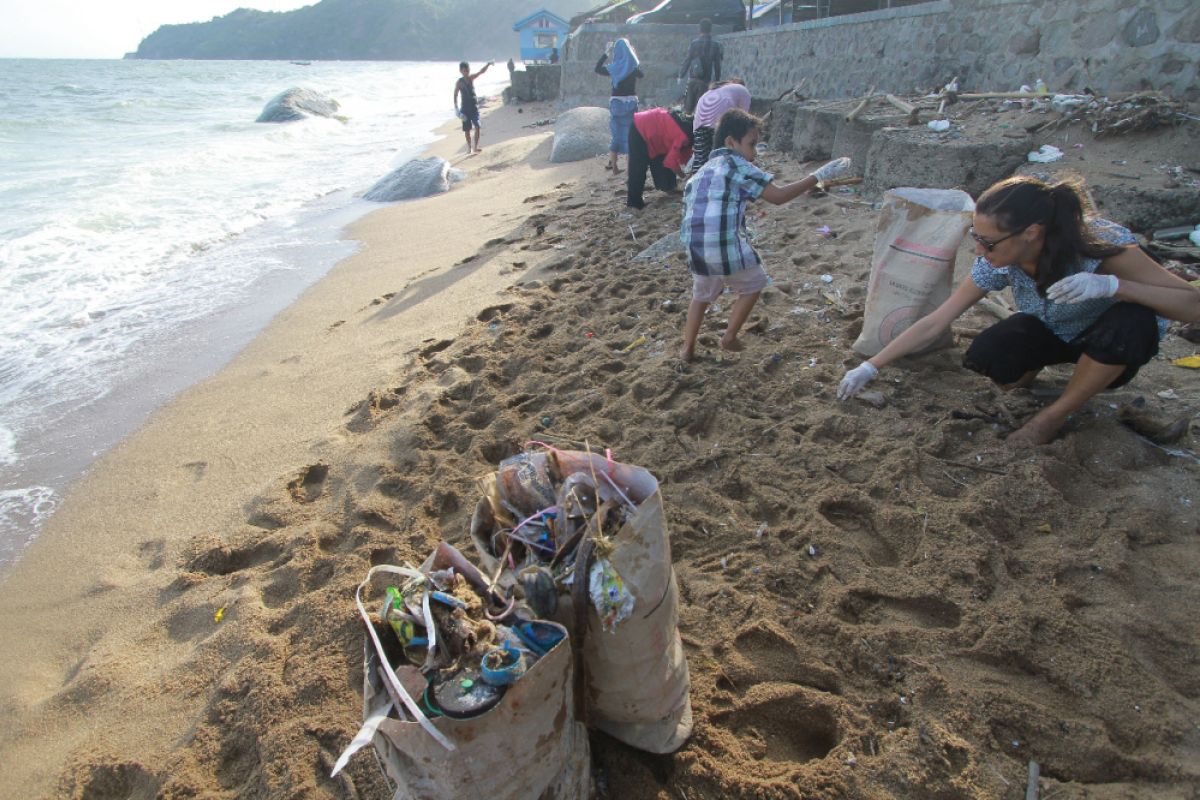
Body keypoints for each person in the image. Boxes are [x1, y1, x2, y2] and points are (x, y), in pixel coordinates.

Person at [836, 174, 1200, 444]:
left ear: (1032, 233)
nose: (980, 251)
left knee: (1131, 320)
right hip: (1055, 332)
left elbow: (1192, 306)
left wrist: (1113, 286)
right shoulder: (1000, 261)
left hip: (1112, 343)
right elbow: (937, 320)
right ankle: (1038, 386)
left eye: (988, 242)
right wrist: (870, 366)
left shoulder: (1101, 245)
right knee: (987, 354)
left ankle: (1054, 415)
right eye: (976, 239)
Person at [680, 109, 851, 360]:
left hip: (695, 250)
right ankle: (729, 336)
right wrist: (818, 175)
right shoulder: (737, 164)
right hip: (723, 247)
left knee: (701, 295)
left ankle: (687, 347)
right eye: (752, 145)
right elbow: (778, 197)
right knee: (754, 283)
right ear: (731, 142)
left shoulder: (701, 172)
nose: (754, 153)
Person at [626, 107, 693, 210]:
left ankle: (669, 187)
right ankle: (634, 202)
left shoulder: (686, 126)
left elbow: (685, 157)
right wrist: (684, 177)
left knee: (662, 156)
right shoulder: (682, 136)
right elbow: (671, 162)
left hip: (655, 130)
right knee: (638, 169)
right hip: (640, 128)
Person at [595, 38, 643, 175]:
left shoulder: (614, 67)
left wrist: (606, 53)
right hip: (631, 103)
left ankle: (614, 167)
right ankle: (629, 168)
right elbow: (641, 75)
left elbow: (597, 69)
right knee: (631, 136)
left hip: (616, 103)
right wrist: (634, 56)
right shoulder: (633, 66)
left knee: (616, 135)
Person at [691, 79, 751, 170]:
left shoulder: (715, 89)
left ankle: (698, 178)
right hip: (718, 117)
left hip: (700, 121)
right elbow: (744, 118)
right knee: (720, 155)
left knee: (701, 157)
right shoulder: (743, 90)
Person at [679, 19, 723, 114]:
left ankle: (686, 128)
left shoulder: (694, 43)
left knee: (687, 110)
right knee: (700, 111)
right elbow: (717, 66)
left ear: (699, 29)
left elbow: (688, 60)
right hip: (705, 82)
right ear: (711, 30)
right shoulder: (715, 45)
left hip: (692, 80)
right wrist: (717, 81)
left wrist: (681, 75)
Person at [454, 60, 492, 153]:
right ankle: (469, 147)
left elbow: (481, 72)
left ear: (469, 70)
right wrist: (456, 109)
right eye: (464, 71)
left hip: (474, 108)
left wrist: (488, 64)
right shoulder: (459, 82)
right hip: (465, 109)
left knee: (477, 126)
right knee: (467, 130)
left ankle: (475, 146)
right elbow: (455, 94)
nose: (466, 72)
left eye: (467, 70)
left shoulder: (471, 78)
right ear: (461, 71)